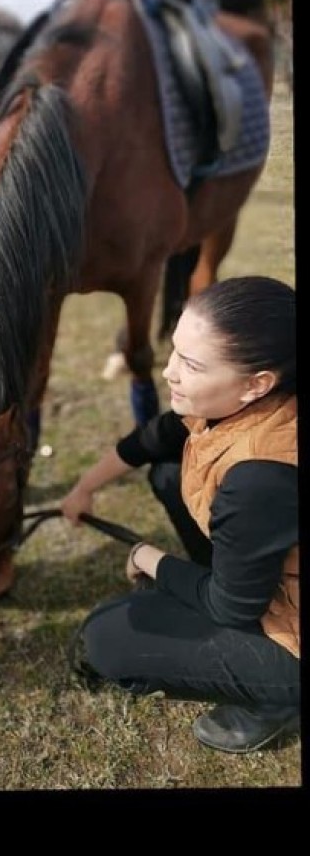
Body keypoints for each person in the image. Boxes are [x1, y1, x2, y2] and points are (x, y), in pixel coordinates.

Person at [61, 275, 299, 754]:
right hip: (266, 577)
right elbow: (148, 442)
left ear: (257, 384)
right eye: (173, 351)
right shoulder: (231, 405)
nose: (168, 372)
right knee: (169, 473)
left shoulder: (261, 476)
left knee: (108, 636)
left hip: (290, 635)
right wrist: (83, 489)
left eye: (190, 364)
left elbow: (231, 608)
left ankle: (279, 698)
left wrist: (150, 559)